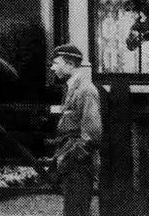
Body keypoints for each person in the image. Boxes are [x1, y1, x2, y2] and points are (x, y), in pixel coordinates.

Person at [50, 44, 102, 216]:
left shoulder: (86, 90)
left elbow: (92, 133)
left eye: (56, 63)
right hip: (71, 163)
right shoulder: (72, 88)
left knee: (76, 211)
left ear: (70, 64)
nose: (52, 67)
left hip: (79, 164)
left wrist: (72, 156)